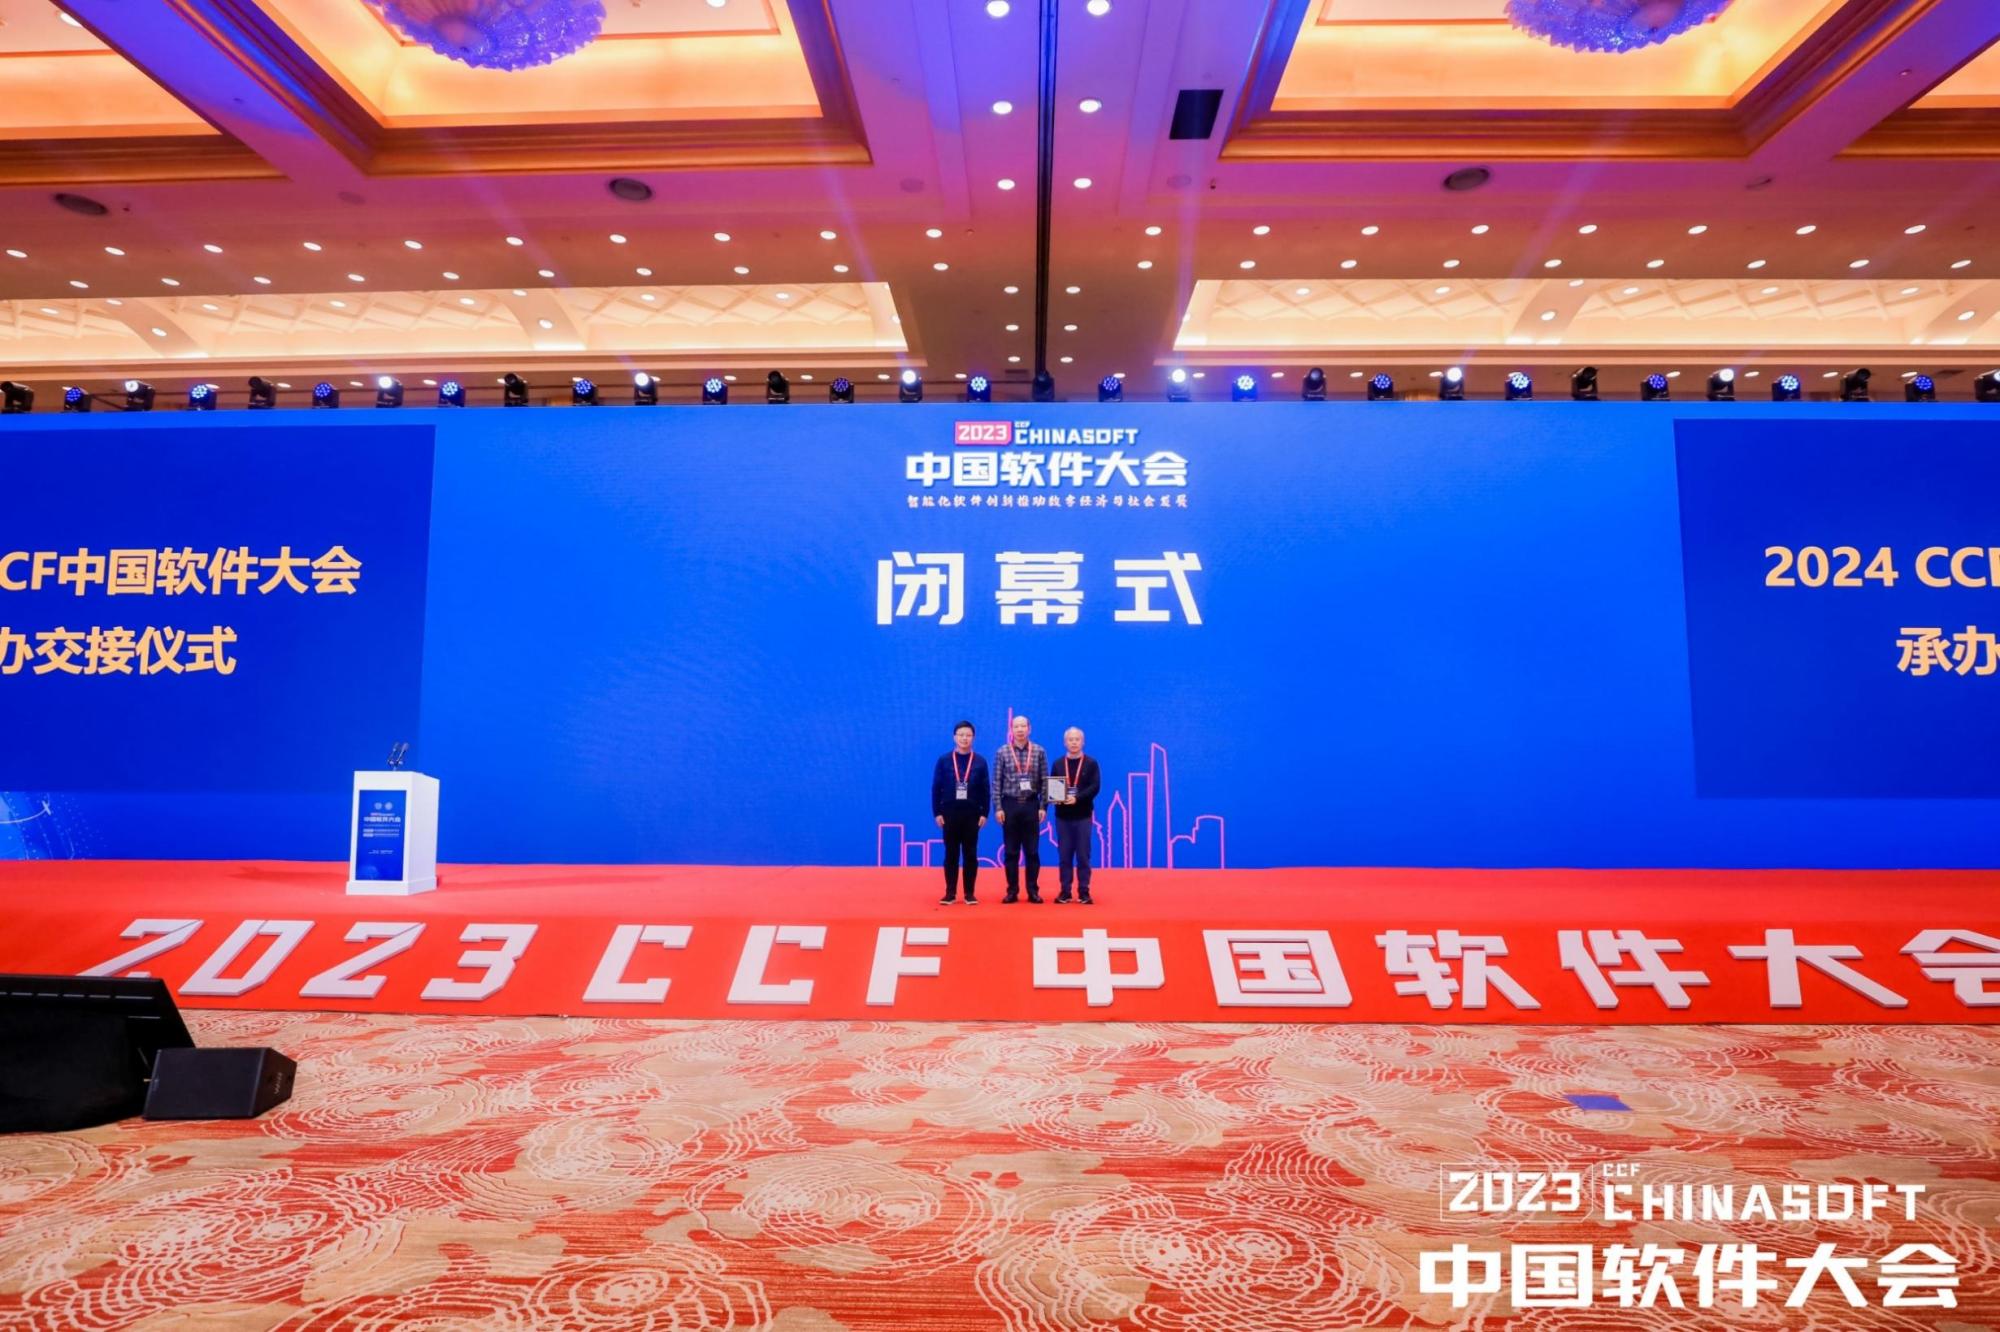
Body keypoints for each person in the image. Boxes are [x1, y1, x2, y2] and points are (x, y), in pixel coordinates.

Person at [931, 720, 989, 904]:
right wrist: (937, 812)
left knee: (971, 854)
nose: (965, 738)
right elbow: (936, 788)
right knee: (951, 854)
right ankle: (950, 893)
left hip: (972, 815)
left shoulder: (980, 761)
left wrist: (985, 813)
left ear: (973, 738)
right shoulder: (944, 760)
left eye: (968, 735)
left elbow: (985, 789)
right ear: (954, 737)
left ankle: (969, 893)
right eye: (961, 735)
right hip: (949, 814)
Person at [992, 713, 1047, 903]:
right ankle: (1012, 891)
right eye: (1016, 726)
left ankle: (1033, 891)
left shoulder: (1039, 751)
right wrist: (998, 807)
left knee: (1032, 852)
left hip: (1032, 804)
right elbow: (996, 782)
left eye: (1023, 726)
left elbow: (1044, 781)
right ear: (1011, 730)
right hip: (1010, 805)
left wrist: (1043, 806)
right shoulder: (1002, 752)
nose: (1020, 730)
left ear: (1029, 729)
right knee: (1011, 852)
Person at [1052, 726, 1101, 904]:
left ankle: (1084, 891)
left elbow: (1095, 787)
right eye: (1070, 740)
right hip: (1063, 817)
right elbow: (1053, 787)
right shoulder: (1058, 764)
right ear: (1065, 743)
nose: (1074, 742)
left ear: (1083, 742)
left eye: (1077, 739)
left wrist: (1077, 798)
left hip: (1083, 816)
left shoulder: (1091, 763)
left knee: (1083, 856)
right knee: (1064, 856)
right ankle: (1065, 891)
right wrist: (1056, 797)